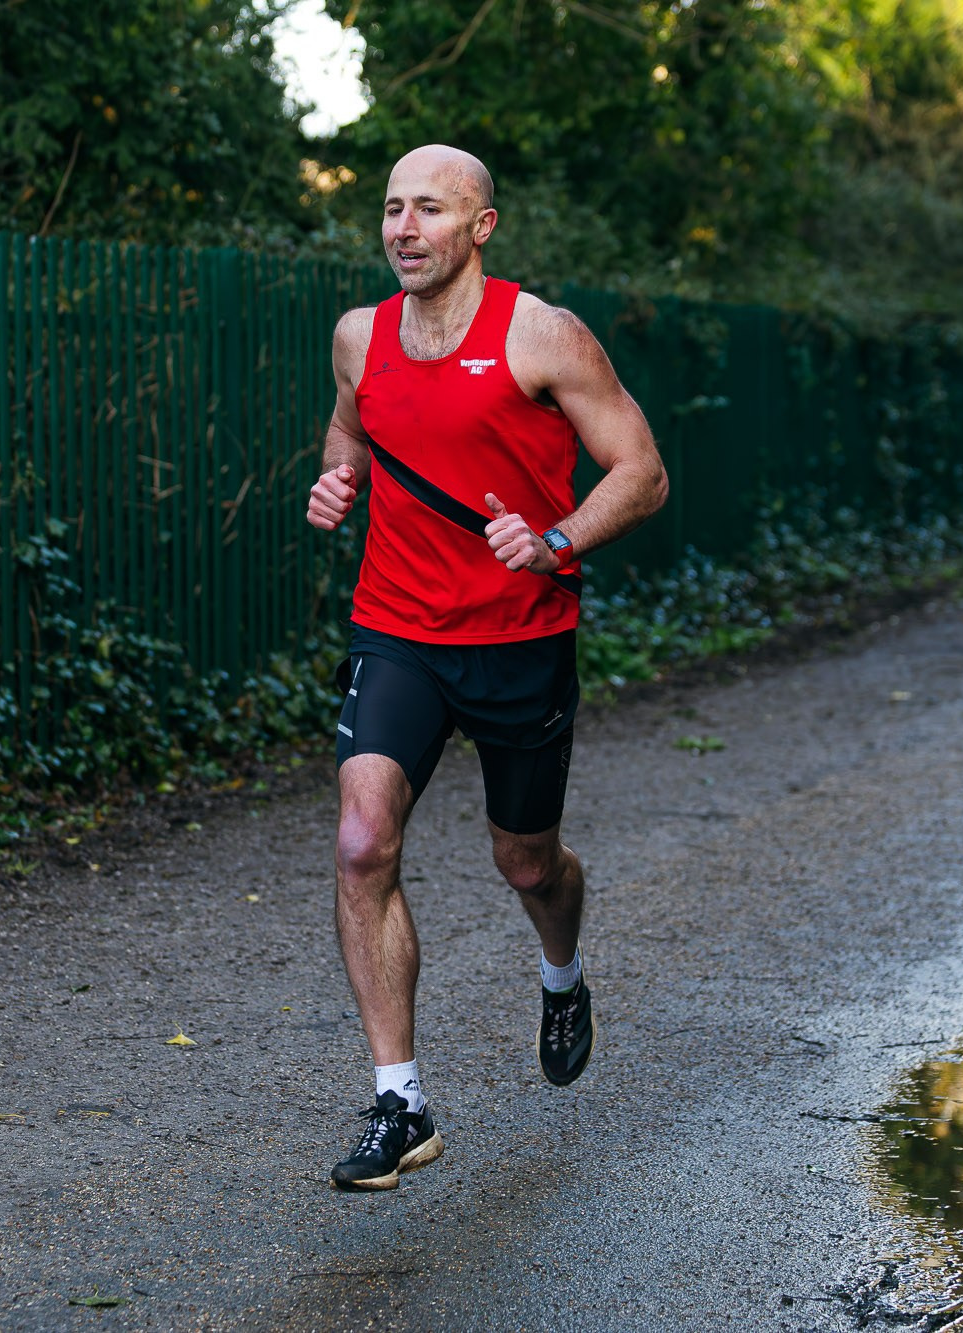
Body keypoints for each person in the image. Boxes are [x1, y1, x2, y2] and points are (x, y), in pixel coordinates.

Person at [305, 144, 668, 1191]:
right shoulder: (357, 336)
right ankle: (399, 1103)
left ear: (480, 226)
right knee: (361, 838)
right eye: (389, 210)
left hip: (517, 639)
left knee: (525, 862)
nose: (402, 228)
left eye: (428, 209)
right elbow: (349, 437)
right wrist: (337, 483)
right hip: (398, 631)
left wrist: (554, 542)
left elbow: (640, 472)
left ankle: (562, 974)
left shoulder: (540, 334)